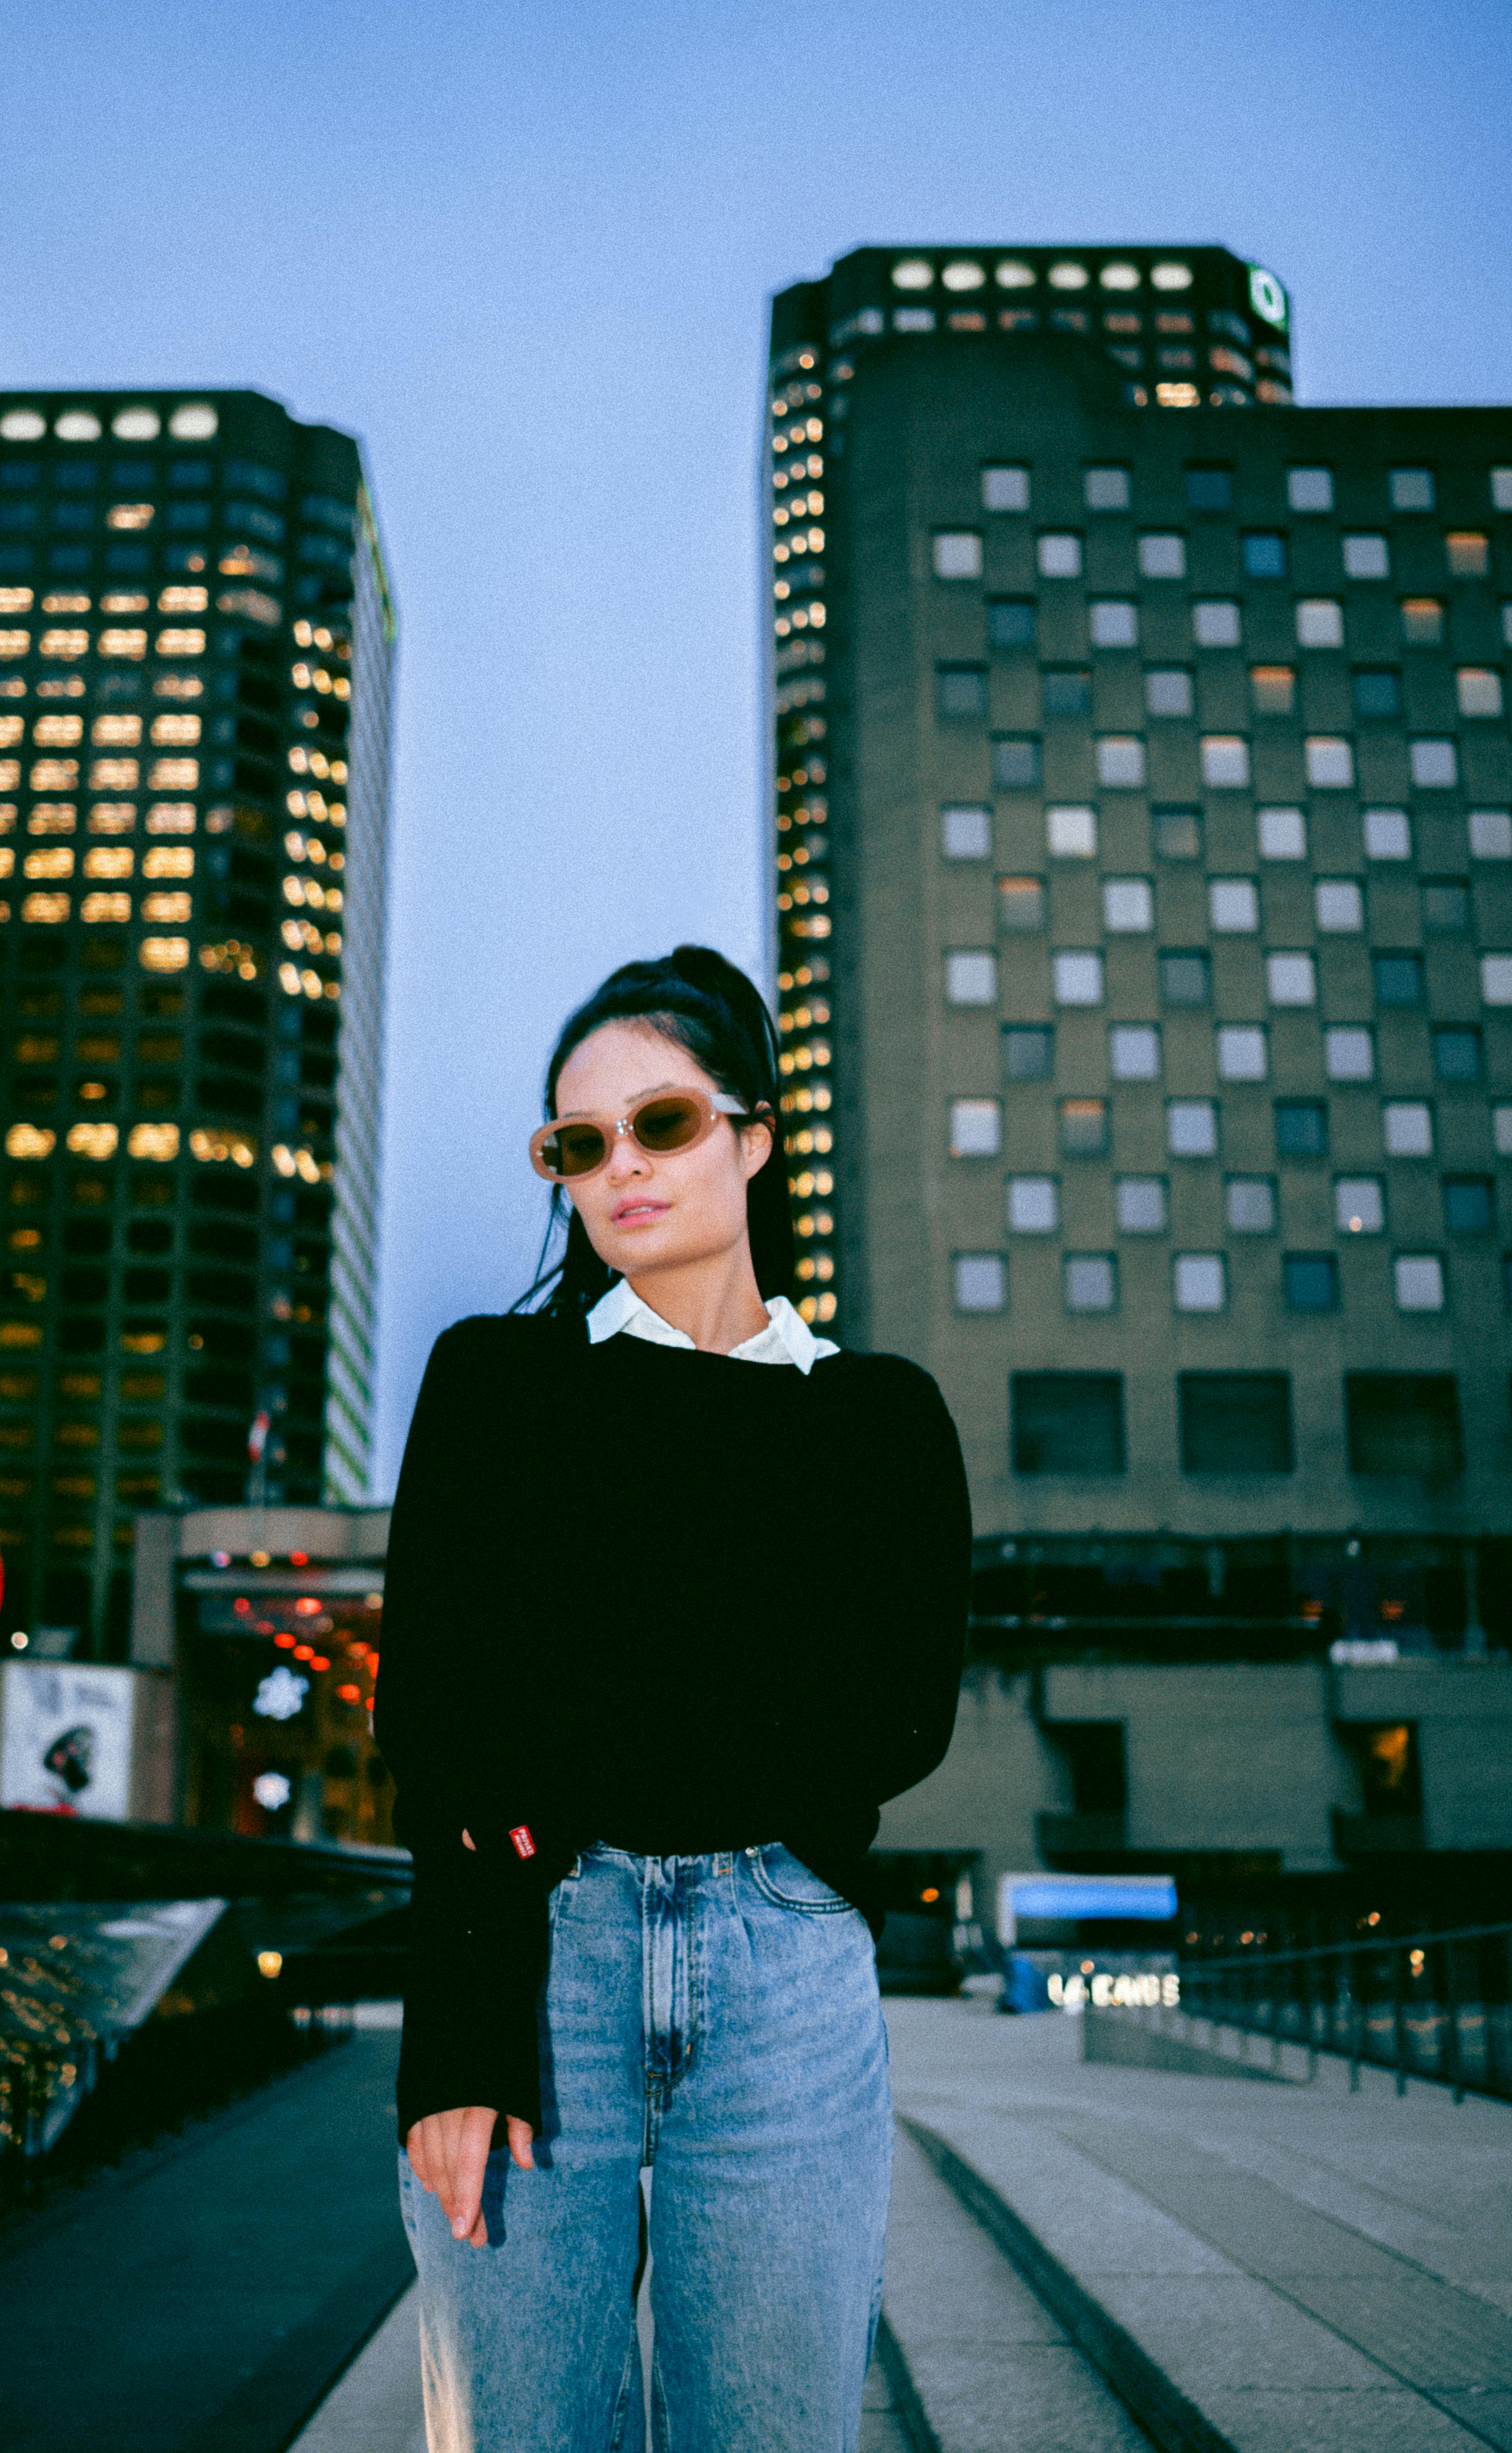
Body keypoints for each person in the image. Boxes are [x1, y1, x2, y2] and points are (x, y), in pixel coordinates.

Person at [375, 944, 971, 2453]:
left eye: (661, 1122)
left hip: (786, 1971)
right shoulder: (499, 1383)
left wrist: (585, 1711)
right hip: (537, 1956)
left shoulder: (878, 1417)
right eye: (580, 1145)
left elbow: (898, 1723)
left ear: (753, 1138)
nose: (621, 1168)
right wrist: (455, 2042)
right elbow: (438, 1728)